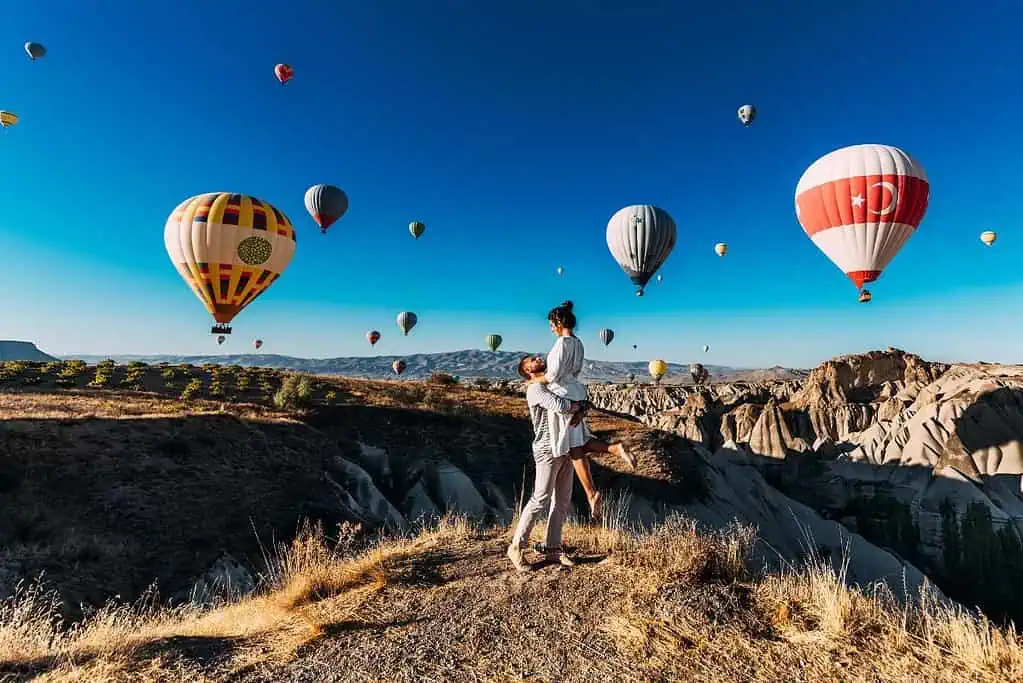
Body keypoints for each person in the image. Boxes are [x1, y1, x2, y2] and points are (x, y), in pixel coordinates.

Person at [534, 301, 636, 520]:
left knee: (572, 447)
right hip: (577, 391)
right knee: (578, 443)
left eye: (551, 324)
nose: (551, 328)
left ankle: (591, 492)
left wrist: (533, 382)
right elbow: (575, 371)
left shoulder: (561, 344)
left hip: (563, 395)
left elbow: (552, 376)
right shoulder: (578, 343)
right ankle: (612, 452)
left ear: (558, 322)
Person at [507, 354, 587, 571]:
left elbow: (577, 399)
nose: (538, 358)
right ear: (527, 371)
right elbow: (560, 405)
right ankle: (516, 547)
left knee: (562, 501)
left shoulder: (555, 383)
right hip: (547, 449)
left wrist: (580, 405)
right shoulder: (535, 388)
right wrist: (579, 406)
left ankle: (553, 549)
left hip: (566, 446)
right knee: (540, 498)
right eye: (531, 360)